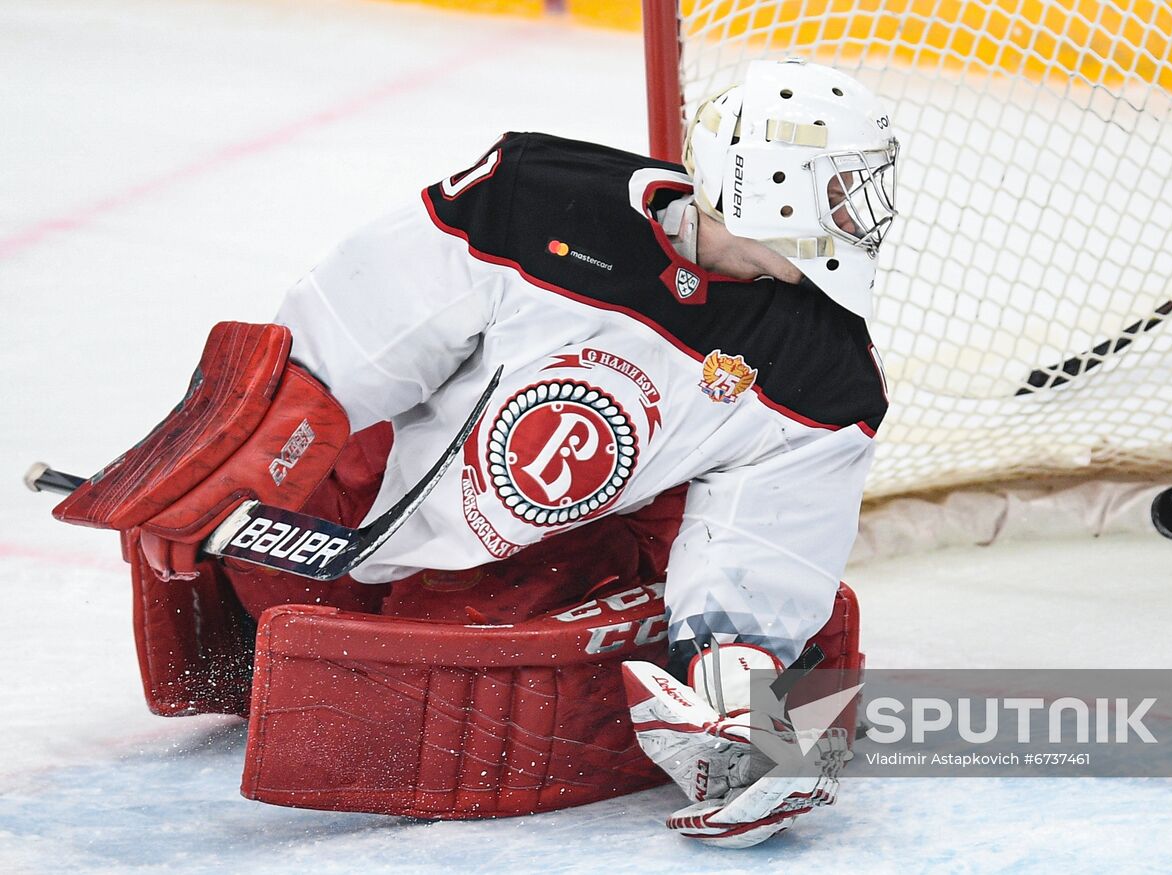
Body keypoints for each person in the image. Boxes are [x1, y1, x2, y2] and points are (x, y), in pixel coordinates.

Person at [53, 58, 898, 847]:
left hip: (525, 567)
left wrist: (738, 687)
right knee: (270, 563)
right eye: (847, 189)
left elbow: (762, 544)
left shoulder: (825, 372)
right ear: (771, 184)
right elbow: (360, 328)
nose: (870, 214)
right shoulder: (540, 200)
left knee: (445, 648)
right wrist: (239, 448)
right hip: (359, 508)